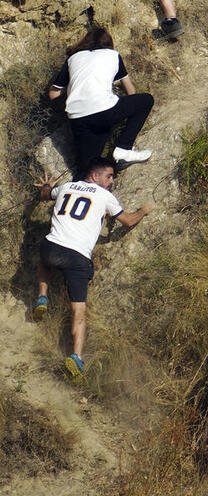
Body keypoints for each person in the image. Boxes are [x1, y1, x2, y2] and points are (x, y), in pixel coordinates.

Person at [32, 158, 152, 381]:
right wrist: (143, 211)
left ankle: (42, 296)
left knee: (45, 259)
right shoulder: (105, 197)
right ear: (95, 176)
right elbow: (126, 220)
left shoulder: (67, 186)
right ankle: (76, 356)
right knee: (79, 311)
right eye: (109, 176)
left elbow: (45, 195)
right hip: (77, 258)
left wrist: (47, 186)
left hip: (51, 248)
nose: (112, 181)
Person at [48, 27, 155, 174]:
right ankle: (123, 150)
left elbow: (53, 94)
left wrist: (73, 90)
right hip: (105, 111)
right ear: (109, 43)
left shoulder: (73, 58)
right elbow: (130, 91)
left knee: (87, 170)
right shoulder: (112, 55)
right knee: (145, 101)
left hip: (77, 118)